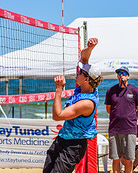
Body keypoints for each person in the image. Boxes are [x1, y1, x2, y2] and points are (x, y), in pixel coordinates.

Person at [43, 38, 103, 173]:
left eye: (80, 73)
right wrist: (90, 48)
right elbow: (84, 58)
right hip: (63, 138)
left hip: (73, 146)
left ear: (86, 79)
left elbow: (57, 116)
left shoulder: (87, 103)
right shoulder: (86, 87)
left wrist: (59, 89)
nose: (77, 72)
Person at [105, 66, 138, 173]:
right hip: (114, 129)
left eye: (124, 73)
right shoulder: (111, 90)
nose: (121, 75)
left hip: (129, 129)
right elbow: (109, 109)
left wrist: (133, 120)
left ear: (128, 76)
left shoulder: (135, 91)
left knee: (129, 159)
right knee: (115, 159)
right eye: (119, 73)